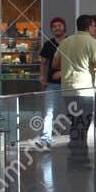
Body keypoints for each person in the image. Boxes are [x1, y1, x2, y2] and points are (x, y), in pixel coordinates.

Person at [57, 14, 96, 165]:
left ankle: (76, 157)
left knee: (75, 123)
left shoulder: (65, 42)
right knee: (83, 125)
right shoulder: (93, 43)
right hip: (85, 91)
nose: (94, 28)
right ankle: (79, 158)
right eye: (93, 26)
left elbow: (54, 63)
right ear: (89, 27)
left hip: (67, 90)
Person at [37, 15, 67, 146]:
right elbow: (43, 63)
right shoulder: (48, 45)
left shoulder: (70, 42)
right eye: (54, 26)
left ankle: (78, 136)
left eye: (59, 25)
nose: (57, 28)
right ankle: (45, 138)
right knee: (49, 112)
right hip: (52, 84)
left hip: (70, 84)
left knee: (75, 110)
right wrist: (42, 77)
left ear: (64, 27)